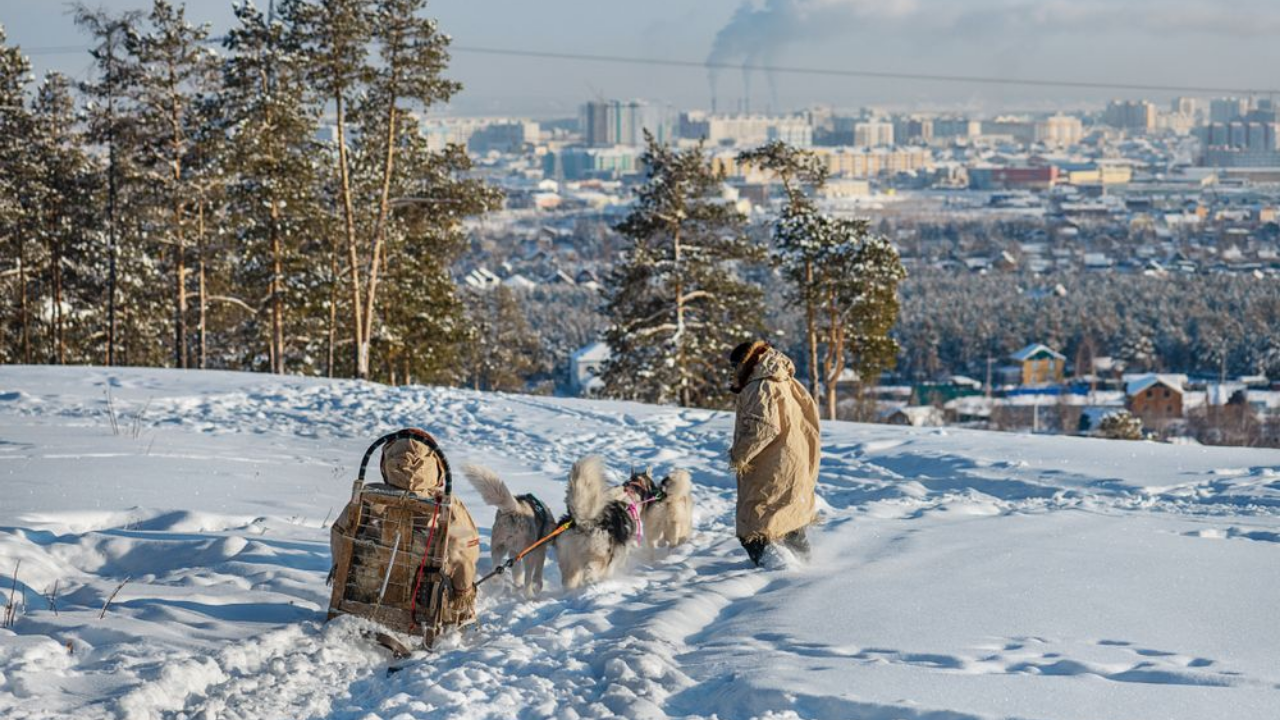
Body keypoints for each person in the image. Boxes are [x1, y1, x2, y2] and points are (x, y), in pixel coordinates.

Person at [728, 340, 821, 566]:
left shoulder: (759, 386)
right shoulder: (786, 380)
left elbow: (765, 428)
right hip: (793, 460)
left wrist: (739, 455)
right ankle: (809, 567)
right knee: (789, 522)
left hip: (772, 467)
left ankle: (782, 573)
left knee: (754, 530)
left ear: (744, 364)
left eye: (733, 367)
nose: (732, 373)